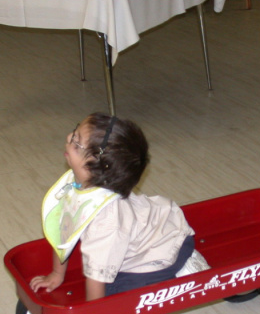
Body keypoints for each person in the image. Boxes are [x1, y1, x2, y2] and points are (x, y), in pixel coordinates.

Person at [30, 113, 206, 300]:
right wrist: (57, 274)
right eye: (75, 132)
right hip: (150, 229)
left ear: (95, 168)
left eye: (76, 142)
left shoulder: (106, 221)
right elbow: (63, 231)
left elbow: (97, 276)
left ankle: (184, 268)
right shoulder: (79, 183)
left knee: (113, 295)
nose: (68, 138)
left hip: (164, 250)